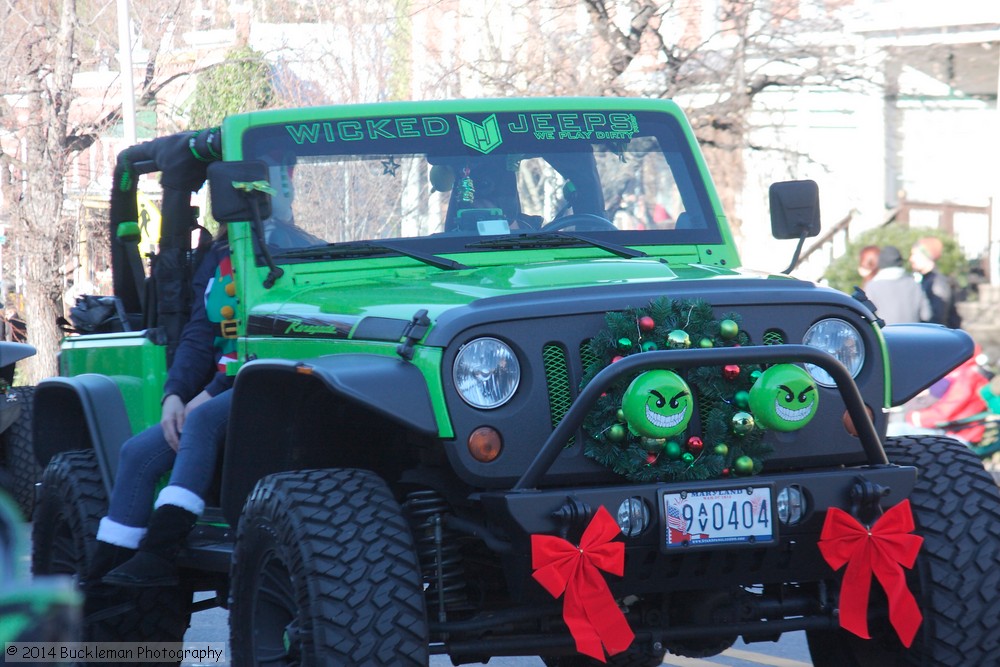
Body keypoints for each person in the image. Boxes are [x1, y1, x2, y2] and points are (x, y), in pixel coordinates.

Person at [83, 230, 237, 619]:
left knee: (199, 420)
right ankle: (101, 591)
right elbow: (201, 333)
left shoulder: (284, 252)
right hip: (220, 388)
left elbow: (260, 336)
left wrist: (213, 390)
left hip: (258, 383)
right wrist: (175, 393)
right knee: (135, 452)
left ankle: (160, 552)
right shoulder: (218, 257)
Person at [863, 245, 931, 324]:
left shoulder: (872, 287)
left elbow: (867, 316)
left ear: (881, 263)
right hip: (912, 334)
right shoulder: (914, 284)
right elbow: (927, 315)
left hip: (884, 335)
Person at [910, 236, 962, 328]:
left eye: (915, 254)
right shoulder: (926, 279)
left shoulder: (937, 283)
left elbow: (938, 318)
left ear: (926, 256)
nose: (911, 259)